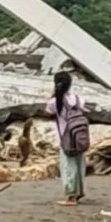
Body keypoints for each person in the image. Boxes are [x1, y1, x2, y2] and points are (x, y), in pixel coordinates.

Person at [45, 71, 87, 206]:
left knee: (68, 166)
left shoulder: (55, 102)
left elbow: (48, 111)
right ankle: (79, 192)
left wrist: (54, 94)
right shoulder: (78, 99)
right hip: (80, 137)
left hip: (65, 138)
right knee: (79, 165)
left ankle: (71, 197)